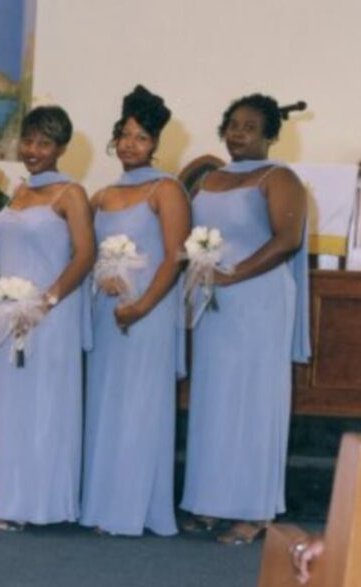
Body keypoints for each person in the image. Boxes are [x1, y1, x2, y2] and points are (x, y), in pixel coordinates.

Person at [180, 94, 309, 545]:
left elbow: (287, 240)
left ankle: (254, 511)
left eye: (251, 127)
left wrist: (233, 274)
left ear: (272, 135)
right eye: (233, 124)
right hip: (215, 302)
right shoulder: (210, 179)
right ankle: (212, 502)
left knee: (253, 401)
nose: (238, 134)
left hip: (258, 299)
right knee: (215, 400)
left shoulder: (280, 178)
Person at [80, 85, 188, 537]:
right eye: (124, 135)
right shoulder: (101, 194)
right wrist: (98, 278)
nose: (130, 144)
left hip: (149, 311)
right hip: (108, 309)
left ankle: (135, 508)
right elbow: (85, 251)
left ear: (155, 144)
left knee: (142, 405)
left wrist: (141, 306)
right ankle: (103, 504)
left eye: (141, 137)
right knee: (108, 403)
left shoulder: (167, 190)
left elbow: (175, 256)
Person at [0, 105, 94, 530]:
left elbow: (85, 255)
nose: (33, 150)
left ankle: (38, 502)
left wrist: (44, 303)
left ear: (61, 148)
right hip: (8, 314)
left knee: (43, 405)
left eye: (44, 143)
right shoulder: (18, 191)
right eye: (28, 140)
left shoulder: (71, 193)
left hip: (50, 315)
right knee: (10, 405)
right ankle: (7, 496)